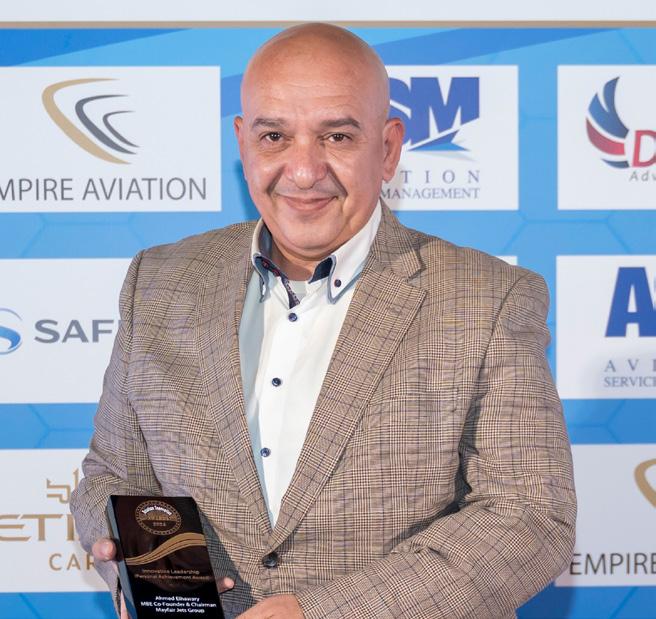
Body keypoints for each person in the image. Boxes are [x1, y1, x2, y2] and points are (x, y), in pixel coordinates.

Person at [71, 23, 576, 619]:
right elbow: (113, 474)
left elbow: (528, 518)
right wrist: (132, 557)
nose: (304, 170)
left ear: (387, 148)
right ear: (243, 143)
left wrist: (321, 613)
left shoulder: (486, 297)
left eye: (336, 136)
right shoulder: (159, 282)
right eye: (275, 136)